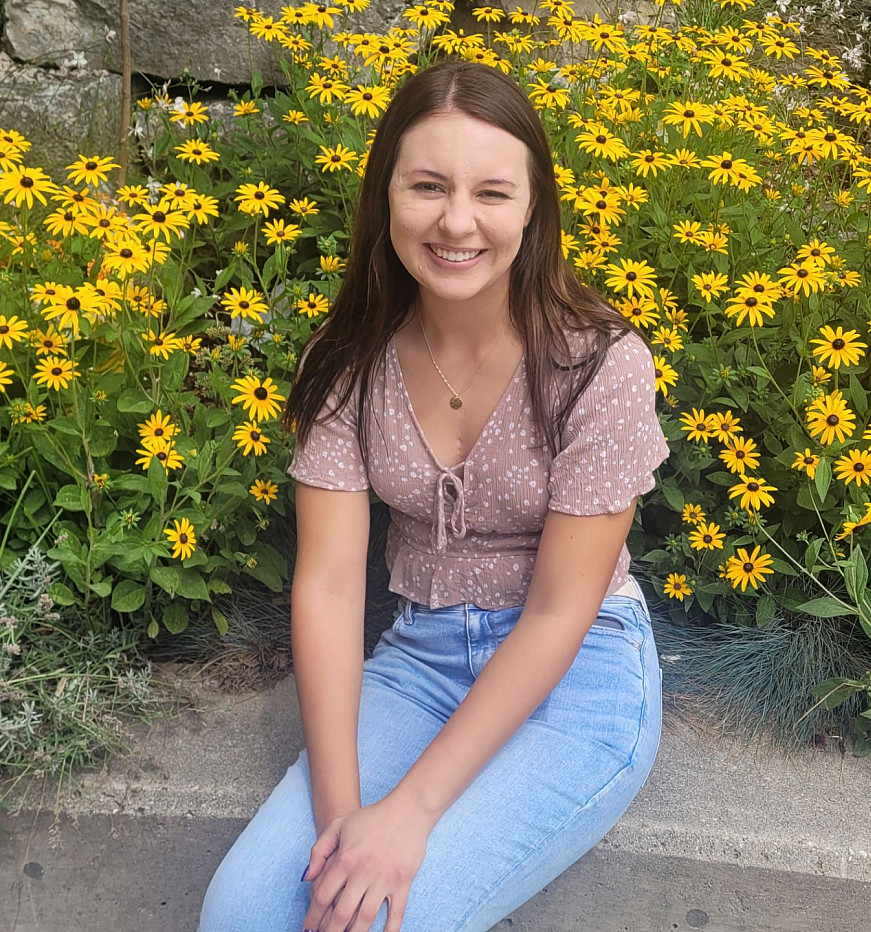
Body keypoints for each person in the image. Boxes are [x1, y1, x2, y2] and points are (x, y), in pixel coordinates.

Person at [198, 59, 668, 932]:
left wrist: (407, 816)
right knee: (244, 914)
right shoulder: (345, 364)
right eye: (427, 186)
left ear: (534, 209)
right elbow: (331, 590)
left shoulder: (598, 364)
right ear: (386, 198)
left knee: (382, 921)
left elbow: (559, 612)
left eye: (492, 191)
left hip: (578, 674)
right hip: (420, 664)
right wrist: (344, 823)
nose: (457, 221)